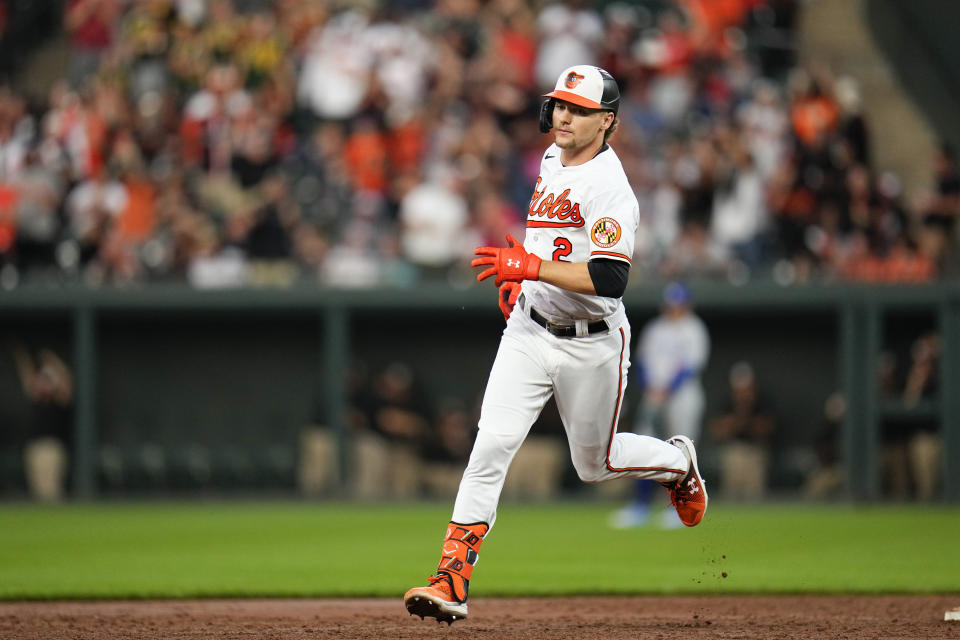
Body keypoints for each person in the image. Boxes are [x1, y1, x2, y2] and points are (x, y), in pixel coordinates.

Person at [403, 65, 708, 625]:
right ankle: (452, 576)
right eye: (560, 105)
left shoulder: (611, 187)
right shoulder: (550, 158)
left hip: (592, 344)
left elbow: (611, 278)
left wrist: (533, 265)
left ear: (607, 121)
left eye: (579, 109)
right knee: (490, 445)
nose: (564, 116)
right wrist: (525, 281)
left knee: (596, 464)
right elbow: (549, 243)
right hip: (528, 328)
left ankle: (678, 462)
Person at [610, 281, 710, 529]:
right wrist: (650, 388)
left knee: (682, 452)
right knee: (644, 446)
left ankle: (681, 507)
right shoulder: (656, 329)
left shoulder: (694, 328)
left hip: (682, 396)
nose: (674, 308)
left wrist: (666, 389)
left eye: (678, 304)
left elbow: (691, 366)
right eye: (670, 304)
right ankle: (640, 506)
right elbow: (641, 362)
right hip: (654, 395)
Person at [708, 361, 776, 500]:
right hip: (733, 450)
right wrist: (736, 419)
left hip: (755, 450)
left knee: (754, 495)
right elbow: (717, 431)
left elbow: (768, 428)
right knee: (731, 492)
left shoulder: (762, 401)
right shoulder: (726, 402)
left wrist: (745, 417)